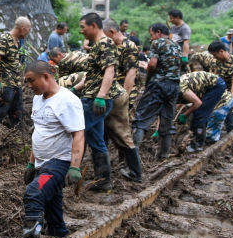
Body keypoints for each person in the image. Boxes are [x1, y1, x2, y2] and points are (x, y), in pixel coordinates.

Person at [7, 60, 84, 238]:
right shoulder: (38, 99)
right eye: (27, 81)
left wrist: (75, 167)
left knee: (34, 193)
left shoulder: (67, 100)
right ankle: (59, 235)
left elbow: (78, 134)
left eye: (31, 80)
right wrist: (31, 163)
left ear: (46, 77)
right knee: (52, 206)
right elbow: (38, 132)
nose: (29, 85)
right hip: (42, 163)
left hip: (59, 162)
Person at [73, 13, 123, 192]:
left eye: (83, 27)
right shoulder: (96, 46)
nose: (81, 31)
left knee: (76, 132)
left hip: (97, 100)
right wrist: (76, 89)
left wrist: (101, 96)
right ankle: (103, 180)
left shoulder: (106, 44)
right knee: (96, 140)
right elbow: (92, 74)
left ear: (93, 25)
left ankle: (71, 173)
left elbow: (110, 70)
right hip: (92, 97)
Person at [132, 23, 182, 160]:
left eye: (152, 35)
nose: (151, 38)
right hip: (174, 86)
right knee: (167, 122)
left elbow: (152, 64)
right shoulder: (177, 46)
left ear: (158, 32)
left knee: (141, 119)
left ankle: (132, 161)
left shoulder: (157, 43)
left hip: (158, 85)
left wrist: (148, 77)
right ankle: (164, 155)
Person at [102, 19, 143, 183]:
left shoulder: (129, 46)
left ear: (112, 32)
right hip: (112, 94)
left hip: (124, 96)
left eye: (105, 35)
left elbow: (131, 73)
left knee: (122, 131)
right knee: (108, 129)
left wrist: (124, 97)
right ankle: (109, 168)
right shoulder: (112, 46)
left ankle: (134, 171)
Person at [0, 17, 31, 126]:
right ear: (22, 28)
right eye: (28, 30)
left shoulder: (18, 41)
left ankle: (17, 137)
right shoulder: (4, 39)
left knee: (18, 112)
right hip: (5, 84)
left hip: (16, 84)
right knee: (1, 111)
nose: (28, 33)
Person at [176, 71, 231, 151]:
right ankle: (195, 139)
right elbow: (176, 104)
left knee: (200, 113)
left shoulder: (181, 89)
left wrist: (185, 114)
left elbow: (198, 103)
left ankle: (198, 145)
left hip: (216, 85)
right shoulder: (173, 88)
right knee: (197, 111)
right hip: (207, 86)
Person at [208, 40, 233, 133]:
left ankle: (231, 138)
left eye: (215, 55)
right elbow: (212, 76)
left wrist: (231, 101)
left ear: (221, 51)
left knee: (230, 120)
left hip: (231, 93)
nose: (214, 57)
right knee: (213, 115)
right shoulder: (215, 61)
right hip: (218, 92)